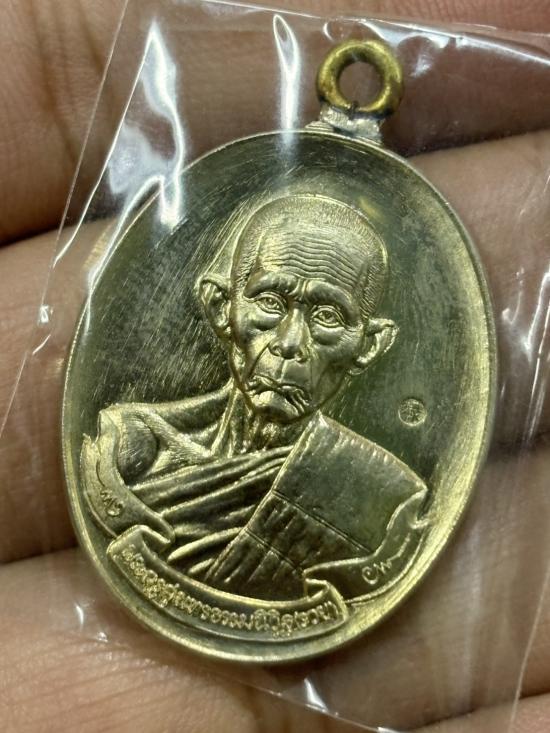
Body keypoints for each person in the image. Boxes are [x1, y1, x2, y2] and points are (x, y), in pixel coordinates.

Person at [83, 194, 427, 600]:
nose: (289, 343)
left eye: (328, 316)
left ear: (368, 344)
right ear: (221, 306)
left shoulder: (384, 496)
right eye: (270, 302)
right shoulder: (128, 448)